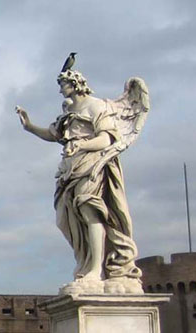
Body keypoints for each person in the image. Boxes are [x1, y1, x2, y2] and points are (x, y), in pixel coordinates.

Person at [16, 68, 145, 294]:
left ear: (75, 84)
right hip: (70, 167)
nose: (60, 89)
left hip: (92, 164)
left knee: (90, 212)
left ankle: (96, 270)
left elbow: (106, 139)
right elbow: (54, 135)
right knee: (66, 219)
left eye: (63, 84)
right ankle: (86, 265)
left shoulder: (96, 106)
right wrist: (29, 127)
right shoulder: (69, 111)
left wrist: (81, 145)